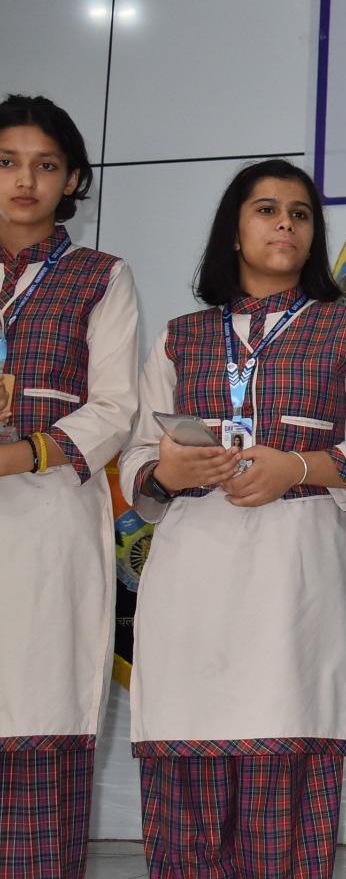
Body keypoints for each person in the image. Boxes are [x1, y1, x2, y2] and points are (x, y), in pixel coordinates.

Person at [121, 158, 346, 878]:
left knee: (285, 807)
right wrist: (168, 472)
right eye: (266, 209)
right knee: (187, 805)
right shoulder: (179, 336)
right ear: (234, 231)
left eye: (300, 214)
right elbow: (136, 461)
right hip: (190, 589)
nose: (285, 224)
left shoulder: (344, 328)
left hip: (295, 591)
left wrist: (296, 467)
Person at [0, 95, 139, 879]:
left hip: (49, 519)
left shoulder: (99, 276)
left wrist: (22, 454)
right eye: (7, 162)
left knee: (40, 713)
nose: (25, 180)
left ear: (74, 179)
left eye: (45, 165)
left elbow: (116, 409)